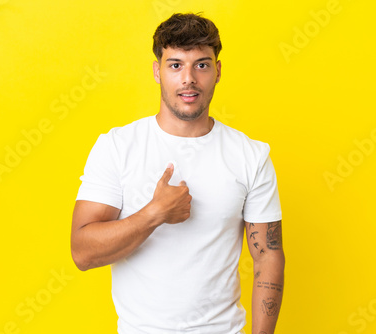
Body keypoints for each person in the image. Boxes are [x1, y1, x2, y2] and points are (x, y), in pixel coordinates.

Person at [71, 12, 284, 334]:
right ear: (158, 71)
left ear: (218, 71)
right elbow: (82, 253)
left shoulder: (250, 155)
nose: (189, 79)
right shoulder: (117, 146)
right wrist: (155, 213)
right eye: (175, 65)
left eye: (201, 64)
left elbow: (268, 254)